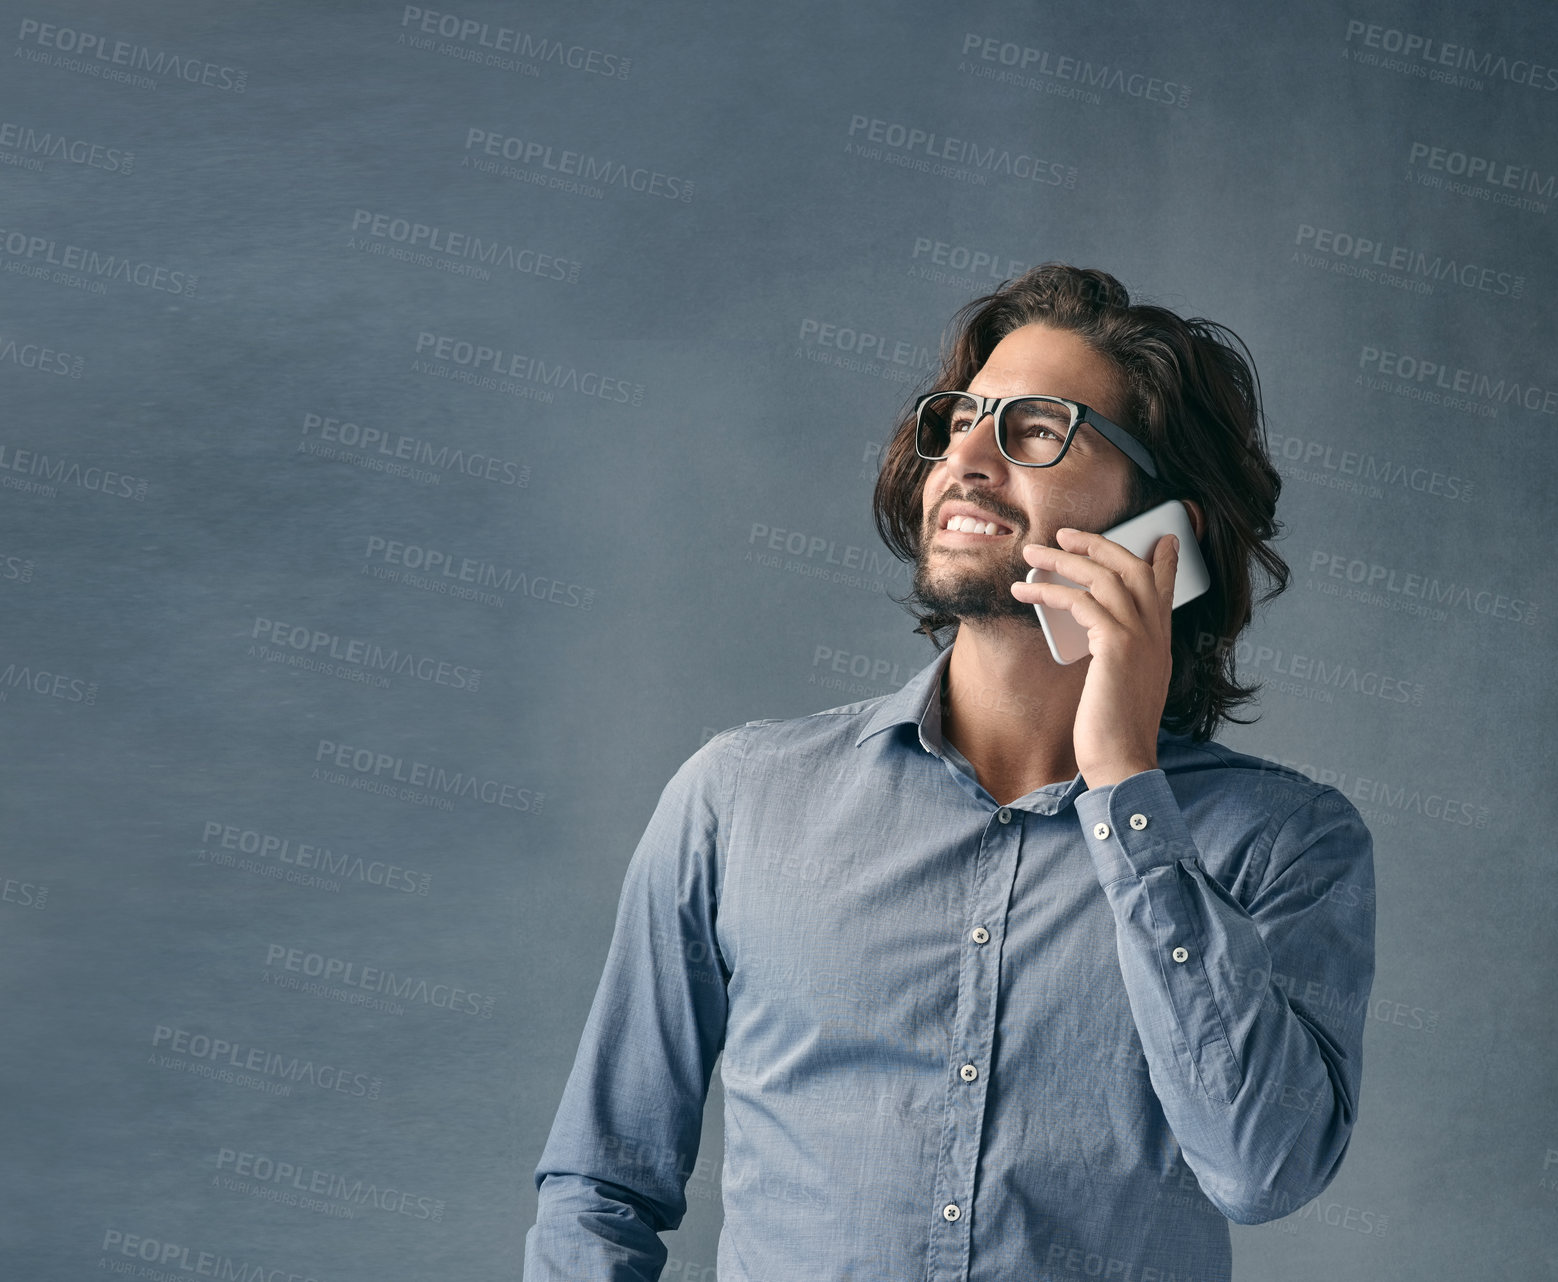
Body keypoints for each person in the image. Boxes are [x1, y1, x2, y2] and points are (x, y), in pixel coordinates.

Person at [522, 264, 1375, 1281]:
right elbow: (599, 1188)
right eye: (957, 420)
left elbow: (1263, 1170)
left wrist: (1123, 786)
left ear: (1165, 533)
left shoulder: (1284, 841)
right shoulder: (736, 799)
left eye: (1034, 430)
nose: (965, 458)